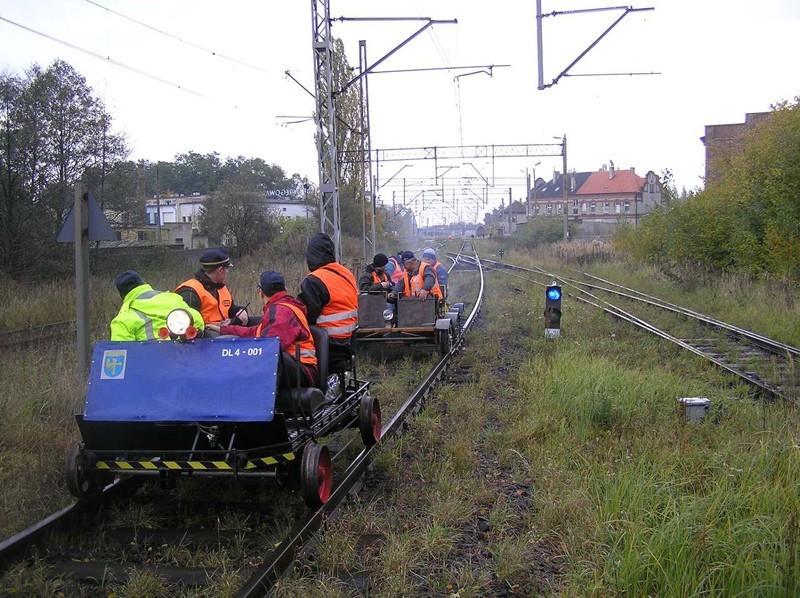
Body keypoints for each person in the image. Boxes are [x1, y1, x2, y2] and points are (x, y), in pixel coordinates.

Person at [207, 271, 317, 389]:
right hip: (300, 368)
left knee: (267, 357)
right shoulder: (283, 307)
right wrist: (222, 329)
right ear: (285, 289)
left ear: (261, 293)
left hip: (303, 371)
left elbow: (269, 346)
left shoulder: (280, 311)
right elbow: (253, 332)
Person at [298, 232, 358, 363]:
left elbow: (305, 315)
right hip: (347, 342)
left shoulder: (315, 280)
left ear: (310, 256)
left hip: (327, 344)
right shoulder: (346, 274)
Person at [110, 270, 205, 341]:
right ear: (143, 283)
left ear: (121, 295)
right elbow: (198, 320)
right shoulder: (172, 298)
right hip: (184, 359)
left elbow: (122, 353)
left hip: (150, 366)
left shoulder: (122, 320)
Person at [174, 248, 256, 330]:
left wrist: (241, 311)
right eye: (227, 269)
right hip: (205, 337)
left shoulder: (221, 287)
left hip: (223, 333)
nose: (227, 272)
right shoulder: (190, 291)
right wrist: (218, 325)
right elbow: (188, 323)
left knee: (258, 322)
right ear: (220, 270)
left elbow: (230, 309)